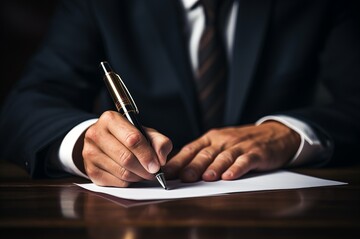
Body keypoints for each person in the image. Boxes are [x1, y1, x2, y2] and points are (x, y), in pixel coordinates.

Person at [0, 0, 359, 187]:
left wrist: (289, 134)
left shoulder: (319, 4)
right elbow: (24, 106)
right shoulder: (98, 4)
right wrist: (83, 142)